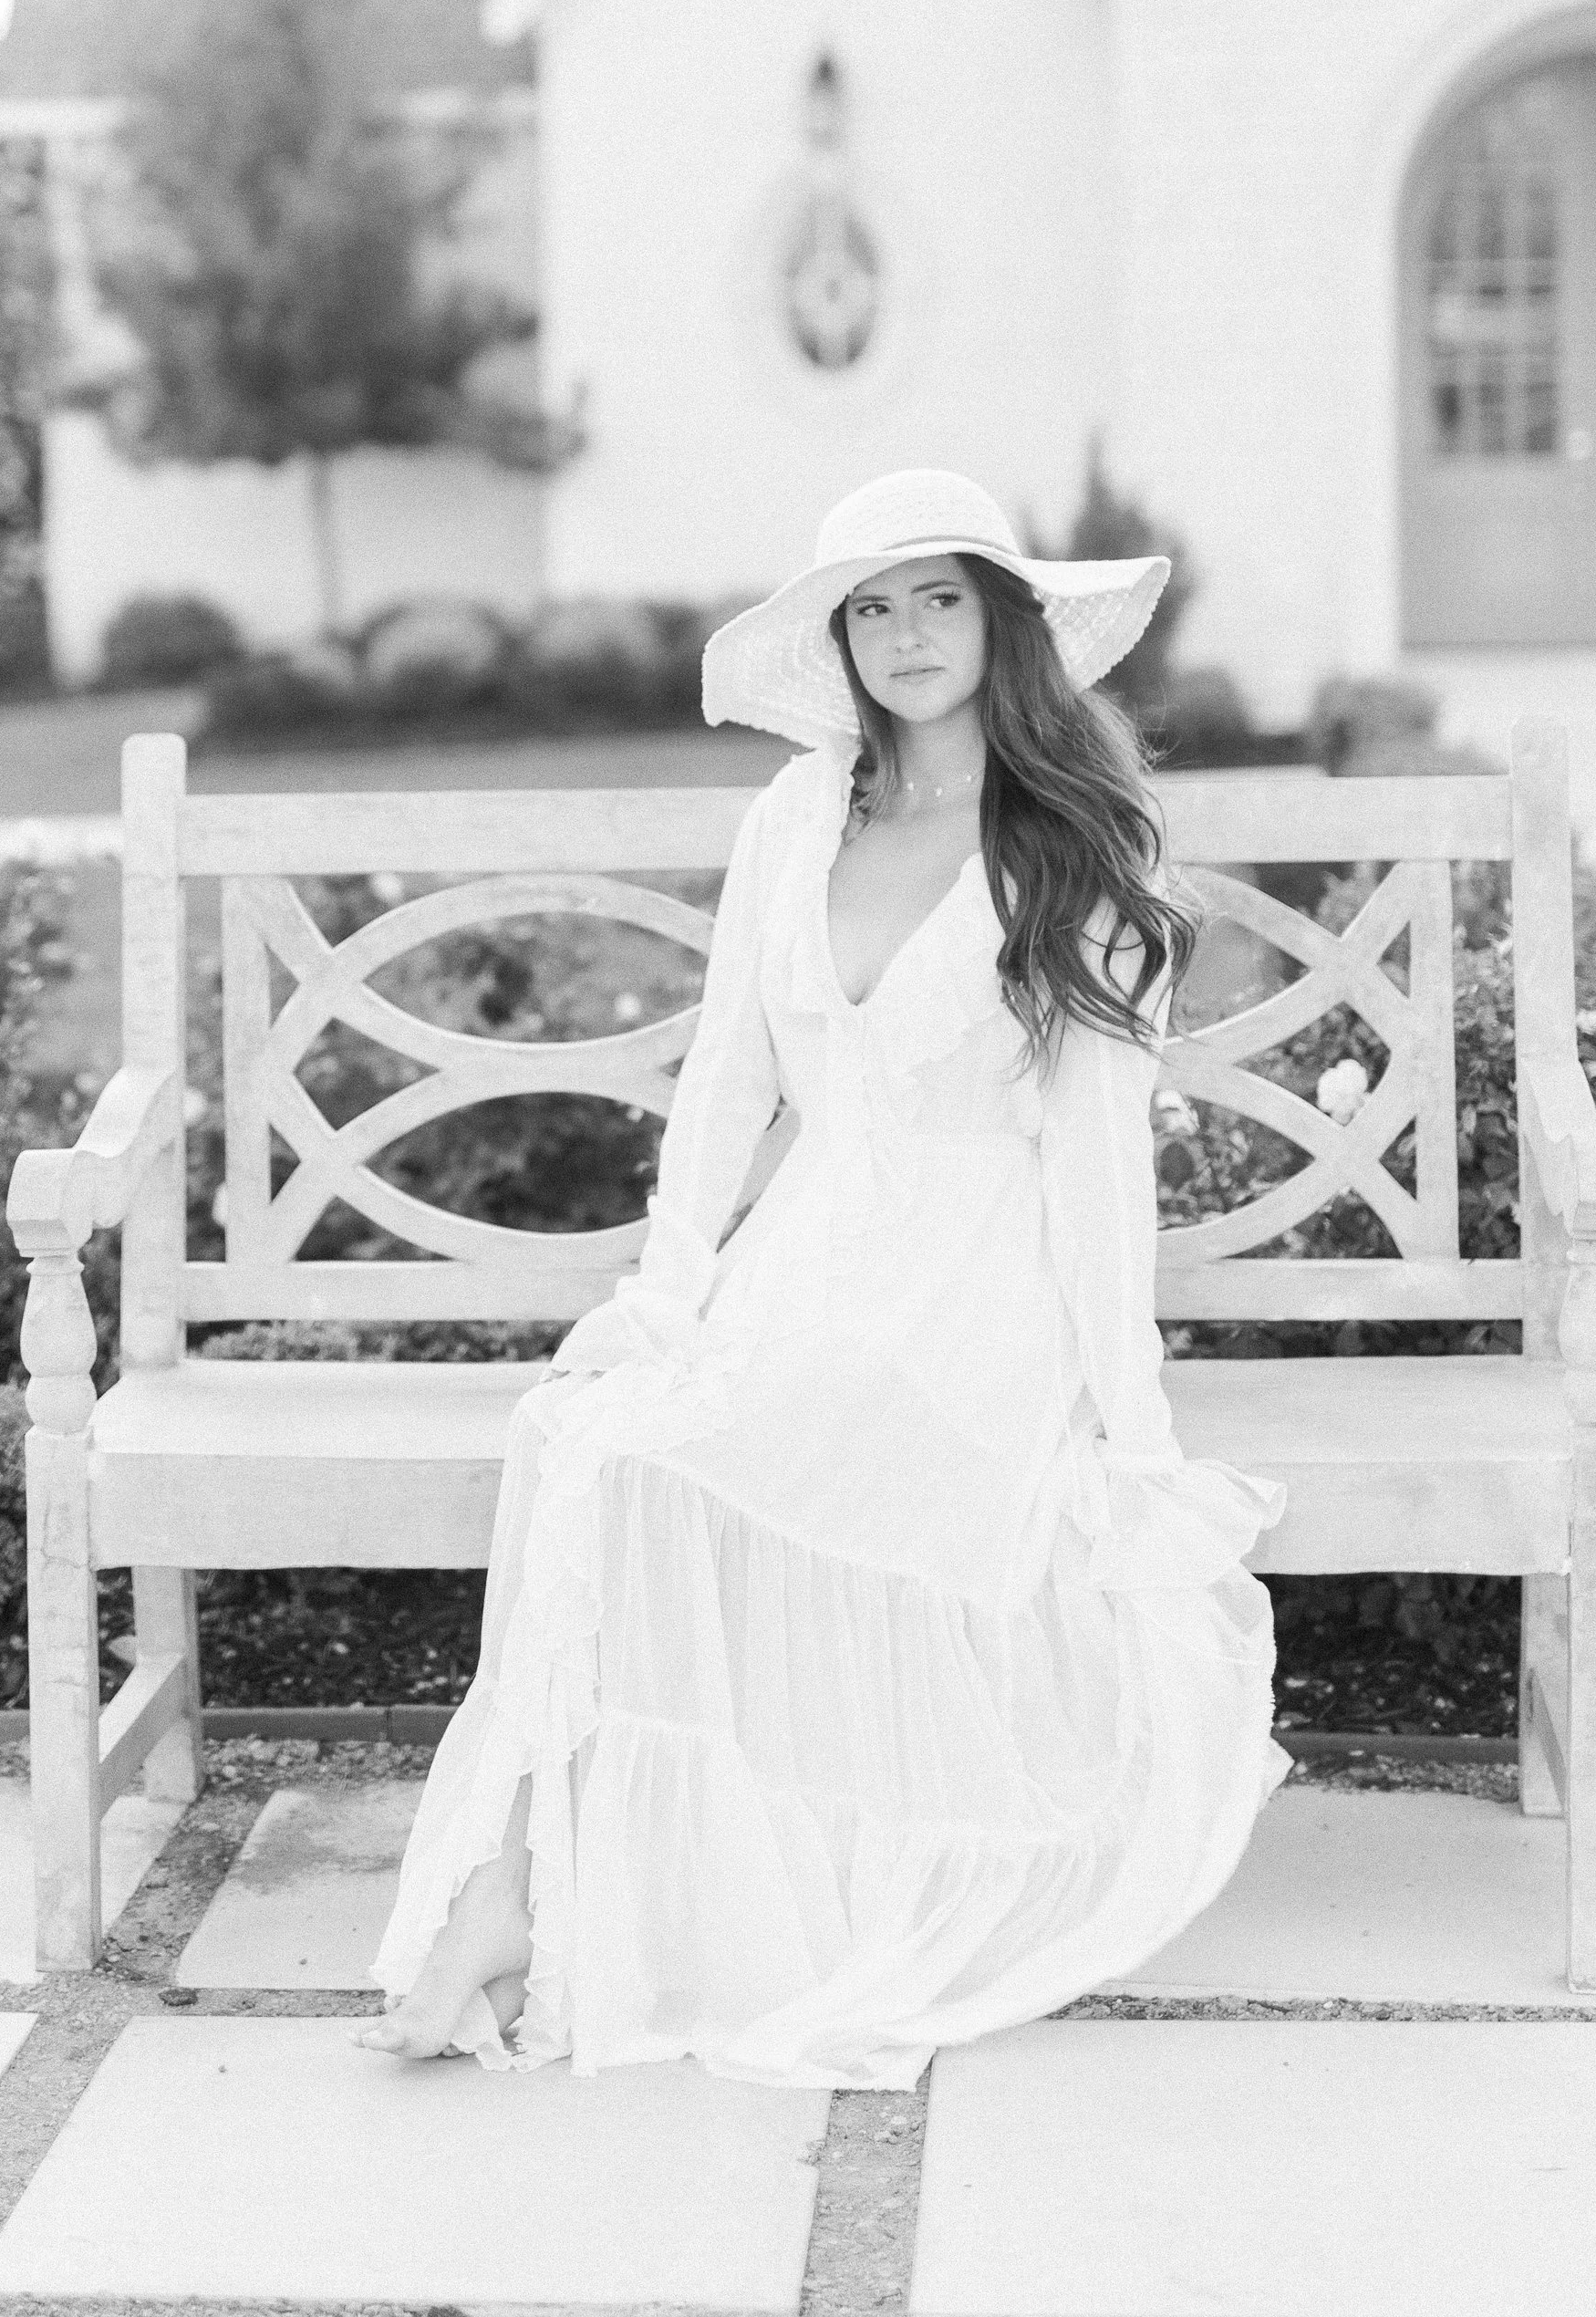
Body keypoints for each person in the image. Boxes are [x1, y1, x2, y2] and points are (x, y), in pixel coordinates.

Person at [352, 465, 1289, 2089]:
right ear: (838, 641)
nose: (908, 634)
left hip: (976, 1295)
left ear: (1003, 619)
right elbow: (728, 1085)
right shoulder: (798, 815)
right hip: (809, 1265)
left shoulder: (1076, 843)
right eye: (872, 606)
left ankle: (525, 1898)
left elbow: (1093, 1163)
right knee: (579, 1437)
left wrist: (1129, 1433)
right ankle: (523, 1889)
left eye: (940, 596)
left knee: (641, 1460)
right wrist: (664, 1292)